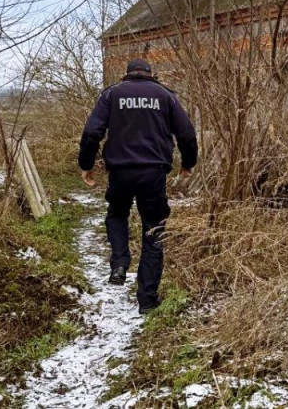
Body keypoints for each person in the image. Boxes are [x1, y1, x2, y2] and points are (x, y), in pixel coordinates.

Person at [78, 58, 198, 314]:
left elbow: (91, 132)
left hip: (120, 172)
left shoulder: (111, 94)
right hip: (153, 173)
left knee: (117, 213)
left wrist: (86, 164)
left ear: (127, 74)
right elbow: (186, 133)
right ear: (150, 74)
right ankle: (147, 300)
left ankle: (120, 263)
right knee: (153, 231)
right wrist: (189, 162)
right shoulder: (165, 96)